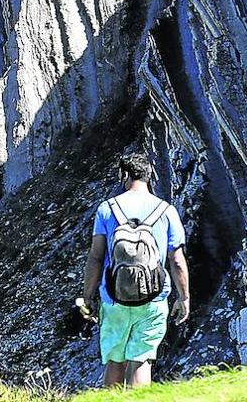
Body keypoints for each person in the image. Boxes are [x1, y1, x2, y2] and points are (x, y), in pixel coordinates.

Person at [80, 154, 189, 388]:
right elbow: (177, 260)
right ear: (150, 176)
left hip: (114, 298)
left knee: (115, 361)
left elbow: (96, 257)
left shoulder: (107, 209)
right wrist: (184, 297)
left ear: (125, 175)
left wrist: (88, 296)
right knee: (142, 360)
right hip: (153, 298)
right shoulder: (167, 211)